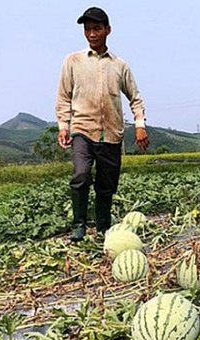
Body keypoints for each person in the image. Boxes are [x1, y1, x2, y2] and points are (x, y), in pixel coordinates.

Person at [56, 6, 150, 242]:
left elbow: (135, 97)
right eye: (87, 29)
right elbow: (64, 96)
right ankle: (78, 225)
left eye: (96, 28)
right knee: (81, 174)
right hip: (82, 130)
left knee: (106, 184)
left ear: (108, 30)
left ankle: (103, 228)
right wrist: (63, 126)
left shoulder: (120, 66)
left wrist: (140, 125)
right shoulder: (73, 61)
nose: (91, 34)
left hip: (111, 134)